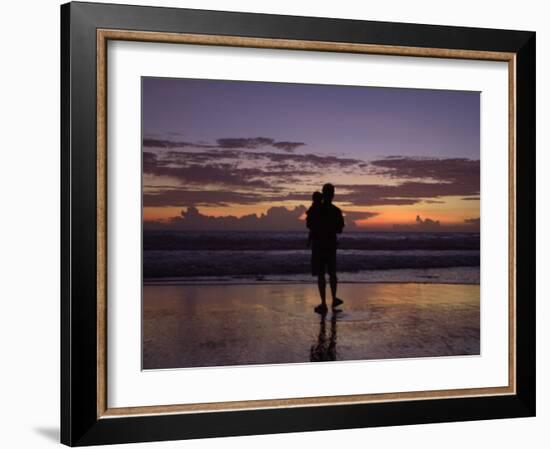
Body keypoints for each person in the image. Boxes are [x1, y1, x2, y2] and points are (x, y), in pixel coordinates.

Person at [307, 183, 345, 314]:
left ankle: (323, 303)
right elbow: (340, 229)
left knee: (321, 274)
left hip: (318, 245)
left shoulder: (316, 208)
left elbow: (309, 224)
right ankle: (334, 299)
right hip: (330, 244)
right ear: (333, 195)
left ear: (323, 193)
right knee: (332, 273)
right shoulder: (335, 210)